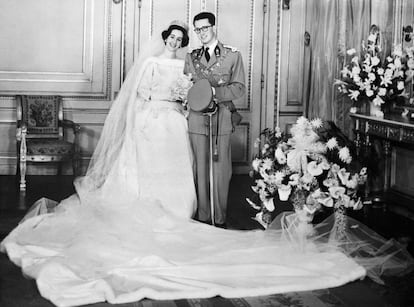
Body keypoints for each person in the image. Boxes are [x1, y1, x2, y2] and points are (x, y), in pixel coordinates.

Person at [1, 20, 413, 307]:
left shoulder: (187, 64)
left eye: (183, 37)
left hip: (176, 122)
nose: (178, 42)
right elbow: (141, 96)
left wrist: (185, 101)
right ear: (166, 38)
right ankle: (146, 207)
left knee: (178, 170)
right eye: (174, 36)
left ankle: (178, 211)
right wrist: (150, 116)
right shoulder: (150, 63)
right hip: (150, 121)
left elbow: (193, 93)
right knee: (146, 172)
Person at [184, 11, 246, 228]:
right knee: (199, 169)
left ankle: (219, 219)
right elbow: (186, 86)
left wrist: (213, 92)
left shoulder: (232, 55)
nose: (201, 32)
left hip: (221, 118)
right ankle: (203, 217)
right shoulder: (191, 57)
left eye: (205, 28)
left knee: (221, 172)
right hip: (197, 120)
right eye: (197, 29)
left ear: (214, 27)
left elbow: (239, 88)